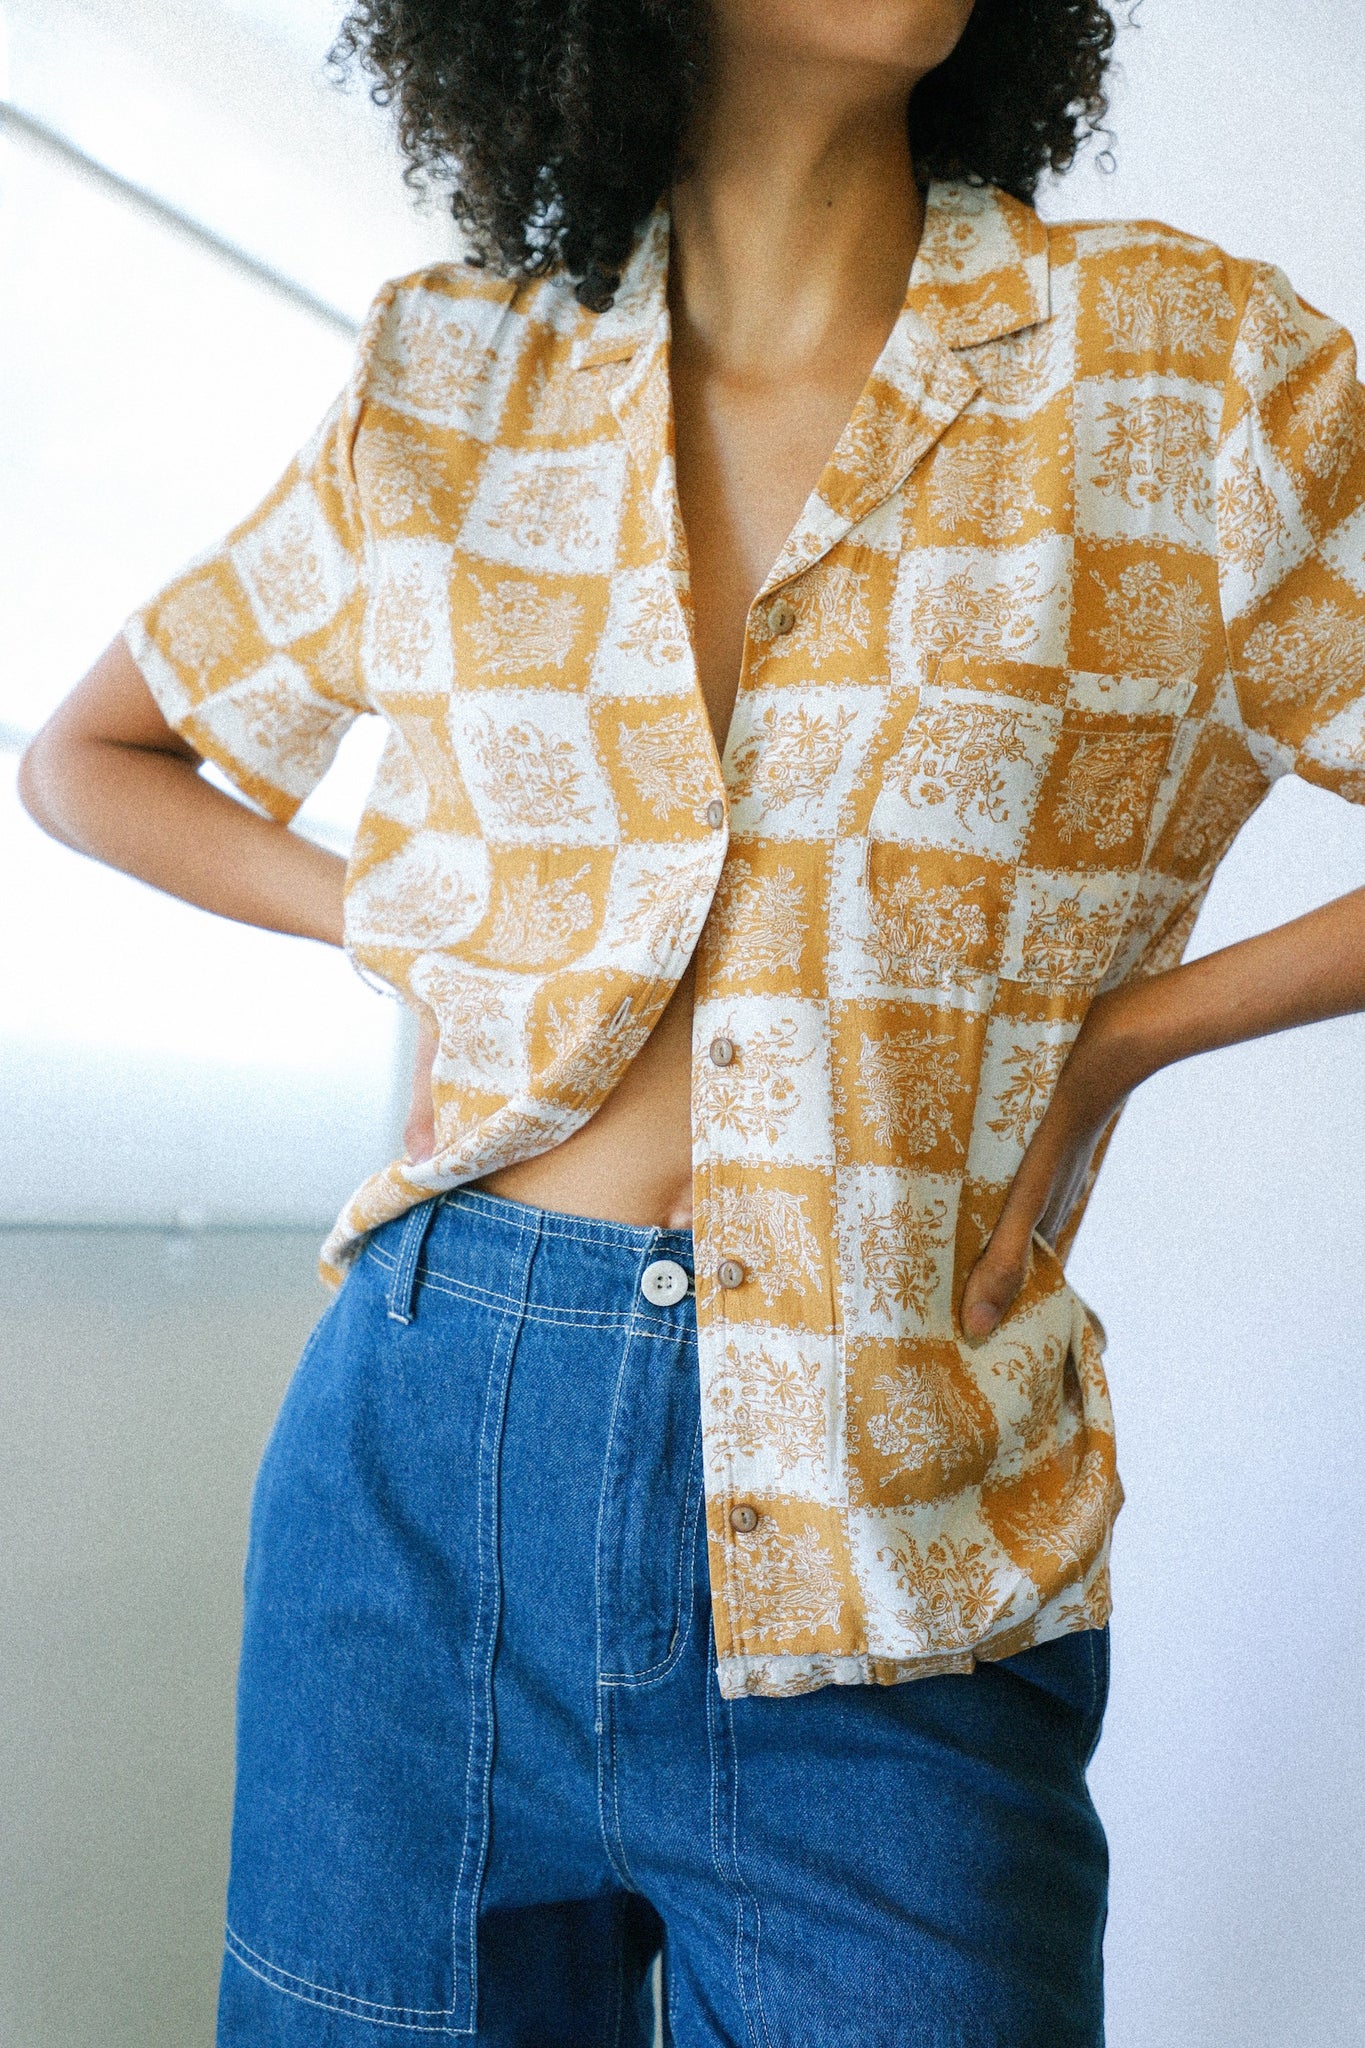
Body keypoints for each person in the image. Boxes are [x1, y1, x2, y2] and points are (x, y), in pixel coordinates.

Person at [19, 0, 1365, 2038]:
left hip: (895, 1516)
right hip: (420, 1473)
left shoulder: (1184, 375)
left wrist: (1123, 1034)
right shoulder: (452, 380)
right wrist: (429, 925)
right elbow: (88, 760)